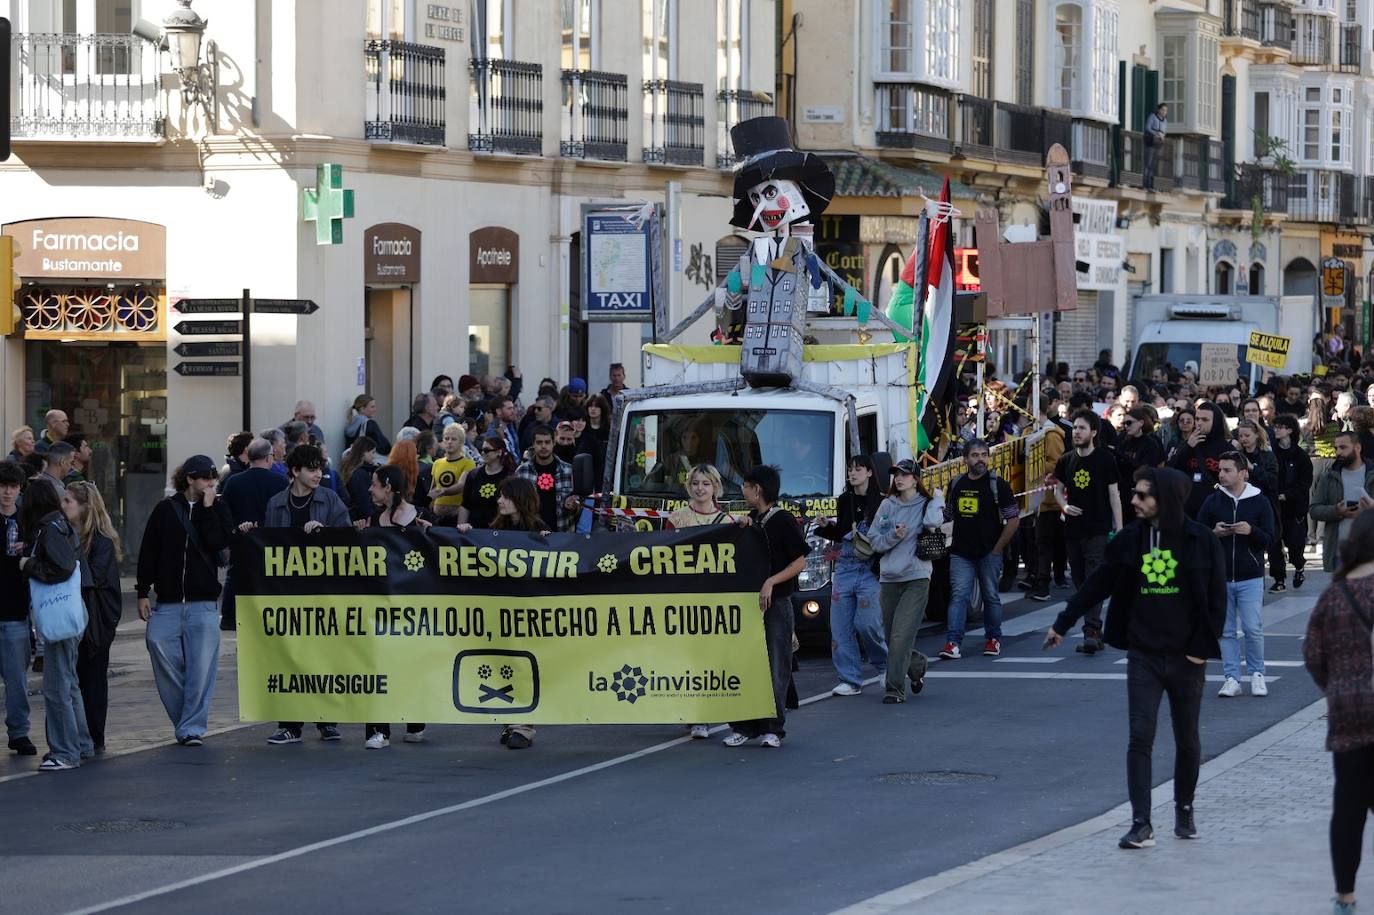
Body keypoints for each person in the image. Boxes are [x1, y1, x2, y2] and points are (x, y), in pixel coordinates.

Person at [1045, 467, 1225, 848]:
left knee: (1187, 740)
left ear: (1166, 499)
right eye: (1134, 494)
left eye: (1143, 495)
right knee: (1140, 737)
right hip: (1144, 655)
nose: (1134, 501)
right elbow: (1098, 583)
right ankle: (1141, 822)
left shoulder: (1199, 540)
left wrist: (1199, 651)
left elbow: (1216, 601)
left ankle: (1185, 807)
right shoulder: (1130, 539)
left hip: (1185, 658)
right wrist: (1064, 621)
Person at [1303, 511, 1374, 915]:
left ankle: (1345, 898)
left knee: (1348, 808)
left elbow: (1313, 655)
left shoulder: (1335, 594)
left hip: (1348, 713)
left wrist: (1337, 687)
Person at [136, 455, 234, 747]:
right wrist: (143, 591)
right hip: (167, 602)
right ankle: (186, 717)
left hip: (202, 602)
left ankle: (191, 727)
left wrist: (206, 509)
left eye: (213, 478)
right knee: (157, 644)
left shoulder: (219, 508)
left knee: (201, 668)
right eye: (205, 478)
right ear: (190, 479)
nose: (210, 483)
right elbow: (149, 550)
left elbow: (217, 543)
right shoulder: (166, 510)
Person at [259, 445, 350, 745]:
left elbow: (348, 539)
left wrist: (325, 532)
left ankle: (326, 720)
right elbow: (268, 545)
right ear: (295, 471)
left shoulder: (330, 498)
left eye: (320, 468)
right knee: (289, 659)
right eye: (312, 469)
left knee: (322, 657)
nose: (318, 474)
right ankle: (290, 724)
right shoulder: (275, 503)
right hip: (287, 592)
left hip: (322, 591)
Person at [722, 466, 810, 747]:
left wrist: (771, 581)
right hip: (750, 603)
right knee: (746, 664)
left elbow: (800, 561)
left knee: (776, 663)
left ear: (757, 489)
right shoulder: (752, 519)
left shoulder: (782, 520)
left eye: (746, 485)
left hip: (778, 603)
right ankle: (743, 726)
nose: (743, 491)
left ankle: (773, 727)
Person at [19, 482, 92, 770]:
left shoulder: (48, 528)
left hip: (58, 615)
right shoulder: (60, 524)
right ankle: (81, 745)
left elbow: (61, 567)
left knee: (57, 686)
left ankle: (65, 752)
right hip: (72, 612)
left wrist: (28, 564)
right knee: (69, 683)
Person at [665, 464, 738, 738]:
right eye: (695, 483)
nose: (700, 489)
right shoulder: (677, 518)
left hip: (716, 598)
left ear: (715, 488)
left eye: (705, 484)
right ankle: (696, 715)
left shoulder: (729, 522)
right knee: (689, 658)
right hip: (685, 596)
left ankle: (709, 712)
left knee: (712, 657)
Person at [864, 459, 945, 704]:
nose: (899, 478)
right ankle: (918, 664)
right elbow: (873, 541)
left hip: (917, 577)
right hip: (889, 578)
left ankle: (894, 689)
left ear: (915, 478)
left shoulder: (927, 504)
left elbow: (933, 523)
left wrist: (938, 498)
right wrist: (893, 536)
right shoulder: (887, 505)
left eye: (904, 474)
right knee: (891, 638)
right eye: (896, 474)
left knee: (900, 637)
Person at [1198, 452, 1276, 699]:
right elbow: (1198, 536)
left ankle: (1257, 674)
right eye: (1220, 469)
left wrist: (1250, 530)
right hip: (1220, 576)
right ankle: (1232, 677)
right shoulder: (1213, 501)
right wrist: (1215, 533)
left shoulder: (1260, 501)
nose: (1221, 474)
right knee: (1226, 631)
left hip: (1250, 575)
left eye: (1227, 470)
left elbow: (1270, 538)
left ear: (1243, 473)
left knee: (1253, 628)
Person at [363, 465, 429, 749]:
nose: (370, 489)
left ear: (388, 486)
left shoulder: (422, 518)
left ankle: (415, 719)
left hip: (413, 606)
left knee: (411, 664)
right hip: (381, 604)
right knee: (378, 664)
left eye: (374, 484)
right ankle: (379, 729)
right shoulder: (374, 521)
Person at [814, 456, 888, 696]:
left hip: (870, 568)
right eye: (850, 470)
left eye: (858, 469)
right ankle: (849, 678)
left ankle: (885, 666)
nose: (852, 473)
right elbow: (842, 532)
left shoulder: (882, 501)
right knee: (840, 626)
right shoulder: (845, 499)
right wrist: (826, 525)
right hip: (845, 566)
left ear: (869, 472)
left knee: (867, 623)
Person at [1052, 409, 1123, 653]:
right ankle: (1095, 629)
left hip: (1098, 529)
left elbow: (1115, 495)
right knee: (1081, 582)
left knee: (1093, 578)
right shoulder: (1066, 460)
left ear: (1093, 432)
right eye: (1075, 427)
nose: (1076, 432)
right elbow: (1057, 490)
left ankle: (1091, 631)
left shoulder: (1105, 459)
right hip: (1073, 530)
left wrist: (1119, 529)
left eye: (1082, 428)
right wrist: (1064, 505)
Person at [940, 440, 1019, 660]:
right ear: (965, 459)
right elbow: (948, 516)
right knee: (958, 596)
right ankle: (952, 642)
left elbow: (1013, 519)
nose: (981, 459)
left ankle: (993, 639)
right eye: (975, 455)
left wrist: (997, 549)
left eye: (984, 454)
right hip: (961, 553)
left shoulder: (999, 485)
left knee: (990, 596)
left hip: (989, 553)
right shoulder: (956, 483)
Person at [490, 477, 550, 750]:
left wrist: (550, 544)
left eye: (505, 496)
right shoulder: (493, 529)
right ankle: (510, 721)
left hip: (529, 613)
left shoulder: (539, 529)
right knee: (506, 666)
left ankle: (524, 727)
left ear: (519, 499)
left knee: (525, 666)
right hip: (501, 612)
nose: (499, 500)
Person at [63, 482, 121, 754]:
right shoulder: (63, 534)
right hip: (71, 618)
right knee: (72, 679)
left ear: (85, 507)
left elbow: (91, 579)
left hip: (94, 622)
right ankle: (78, 734)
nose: (63, 506)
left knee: (92, 680)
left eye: (68, 501)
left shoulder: (101, 541)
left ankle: (94, 735)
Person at [219, 437, 290, 629]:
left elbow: (224, 512)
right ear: (269, 458)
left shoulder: (233, 482)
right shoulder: (280, 482)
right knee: (270, 579)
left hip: (241, 539)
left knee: (235, 577)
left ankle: (229, 617)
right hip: (270, 539)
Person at [0, 462, 34, 756]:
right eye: (3, 486)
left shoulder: (27, 522)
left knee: (17, 681)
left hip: (16, 612)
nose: (7, 492)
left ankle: (19, 732)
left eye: (12, 486)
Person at [1311, 432, 1374, 573]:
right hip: (1340, 554)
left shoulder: (1371, 474)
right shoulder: (1329, 477)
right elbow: (1314, 509)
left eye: (1343, 447)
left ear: (1357, 448)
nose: (1338, 452)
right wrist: (1336, 511)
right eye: (1336, 448)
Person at [1028, 397, 1068, 602]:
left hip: (1050, 499)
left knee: (1046, 542)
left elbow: (1056, 464)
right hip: (1036, 498)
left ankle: (1044, 583)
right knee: (1041, 542)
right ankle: (1039, 578)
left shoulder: (1051, 435)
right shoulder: (1032, 431)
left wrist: (1034, 469)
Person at [1271, 414, 1314, 590]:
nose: (1276, 429)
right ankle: (1279, 580)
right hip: (1274, 506)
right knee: (1273, 545)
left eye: (1280, 426)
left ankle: (1299, 566)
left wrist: (1288, 495)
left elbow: (1305, 482)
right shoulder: (1271, 452)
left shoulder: (1300, 455)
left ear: (1289, 430)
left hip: (1294, 507)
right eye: (1275, 426)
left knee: (1295, 545)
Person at [1168, 400, 1231, 518]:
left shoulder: (1227, 449)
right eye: (1197, 419)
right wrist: (1188, 447)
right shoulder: (1189, 444)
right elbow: (1172, 470)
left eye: (1205, 420)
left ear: (1216, 421)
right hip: (1187, 511)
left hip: (1215, 512)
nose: (1199, 423)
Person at [514, 426, 580, 532]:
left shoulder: (569, 471)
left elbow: (580, 503)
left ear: (554, 443)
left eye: (547, 442)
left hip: (562, 534)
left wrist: (573, 505)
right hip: (530, 534)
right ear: (533, 444)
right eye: (539, 442)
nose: (543, 446)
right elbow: (515, 504)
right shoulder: (521, 471)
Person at [1116, 407, 1165, 520]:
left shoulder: (1150, 443)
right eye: (1124, 423)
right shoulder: (1122, 439)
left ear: (1141, 423)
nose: (1126, 426)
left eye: (1129, 423)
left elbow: (1145, 469)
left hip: (1140, 492)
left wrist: (1123, 456)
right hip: (1122, 492)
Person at [459, 435, 516, 530]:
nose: (482, 453)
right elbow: (465, 505)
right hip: (474, 532)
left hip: (500, 532)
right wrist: (460, 528)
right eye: (482, 450)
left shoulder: (509, 476)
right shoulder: (473, 475)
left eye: (487, 450)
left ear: (499, 452)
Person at [429, 424, 477, 521]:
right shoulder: (437, 463)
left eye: (454, 439)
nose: (449, 442)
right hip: (437, 514)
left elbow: (461, 486)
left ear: (462, 442)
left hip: (456, 515)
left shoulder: (468, 463)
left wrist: (442, 491)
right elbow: (433, 487)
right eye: (446, 438)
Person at [339, 435, 380, 522]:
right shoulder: (360, 474)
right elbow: (363, 501)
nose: (374, 456)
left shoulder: (352, 469)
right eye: (372, 452)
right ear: (364, 452)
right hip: (362, 520)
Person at [386, 438, 431, 514]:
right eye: (415, 454)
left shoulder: (386, 474)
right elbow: (416, 505)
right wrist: (430, 497)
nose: (417, 456)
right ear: (409, 458)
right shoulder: (414, 478)